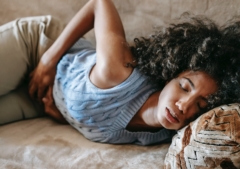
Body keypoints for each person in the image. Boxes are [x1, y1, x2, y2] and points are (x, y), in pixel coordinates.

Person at [0, 0, 240, 145]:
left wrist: (64, 117)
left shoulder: (158, 136)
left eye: (201, 106)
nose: (185, 106)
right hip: (36, 48)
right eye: (185, 87)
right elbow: (99, 3)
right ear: (170, 75)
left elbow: (97, 115)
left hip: (40, 98)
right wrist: (47, 61)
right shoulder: (119, 71)